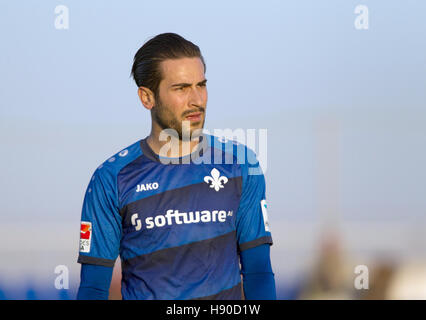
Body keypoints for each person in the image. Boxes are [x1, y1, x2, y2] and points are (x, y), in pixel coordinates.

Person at [76, 32, 276, 300]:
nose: (197, 100)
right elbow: (93, 289)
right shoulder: (111, 178)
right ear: (147, 98)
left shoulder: (241, 165)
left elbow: (259, 274)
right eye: (181, 88)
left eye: (201, 85)